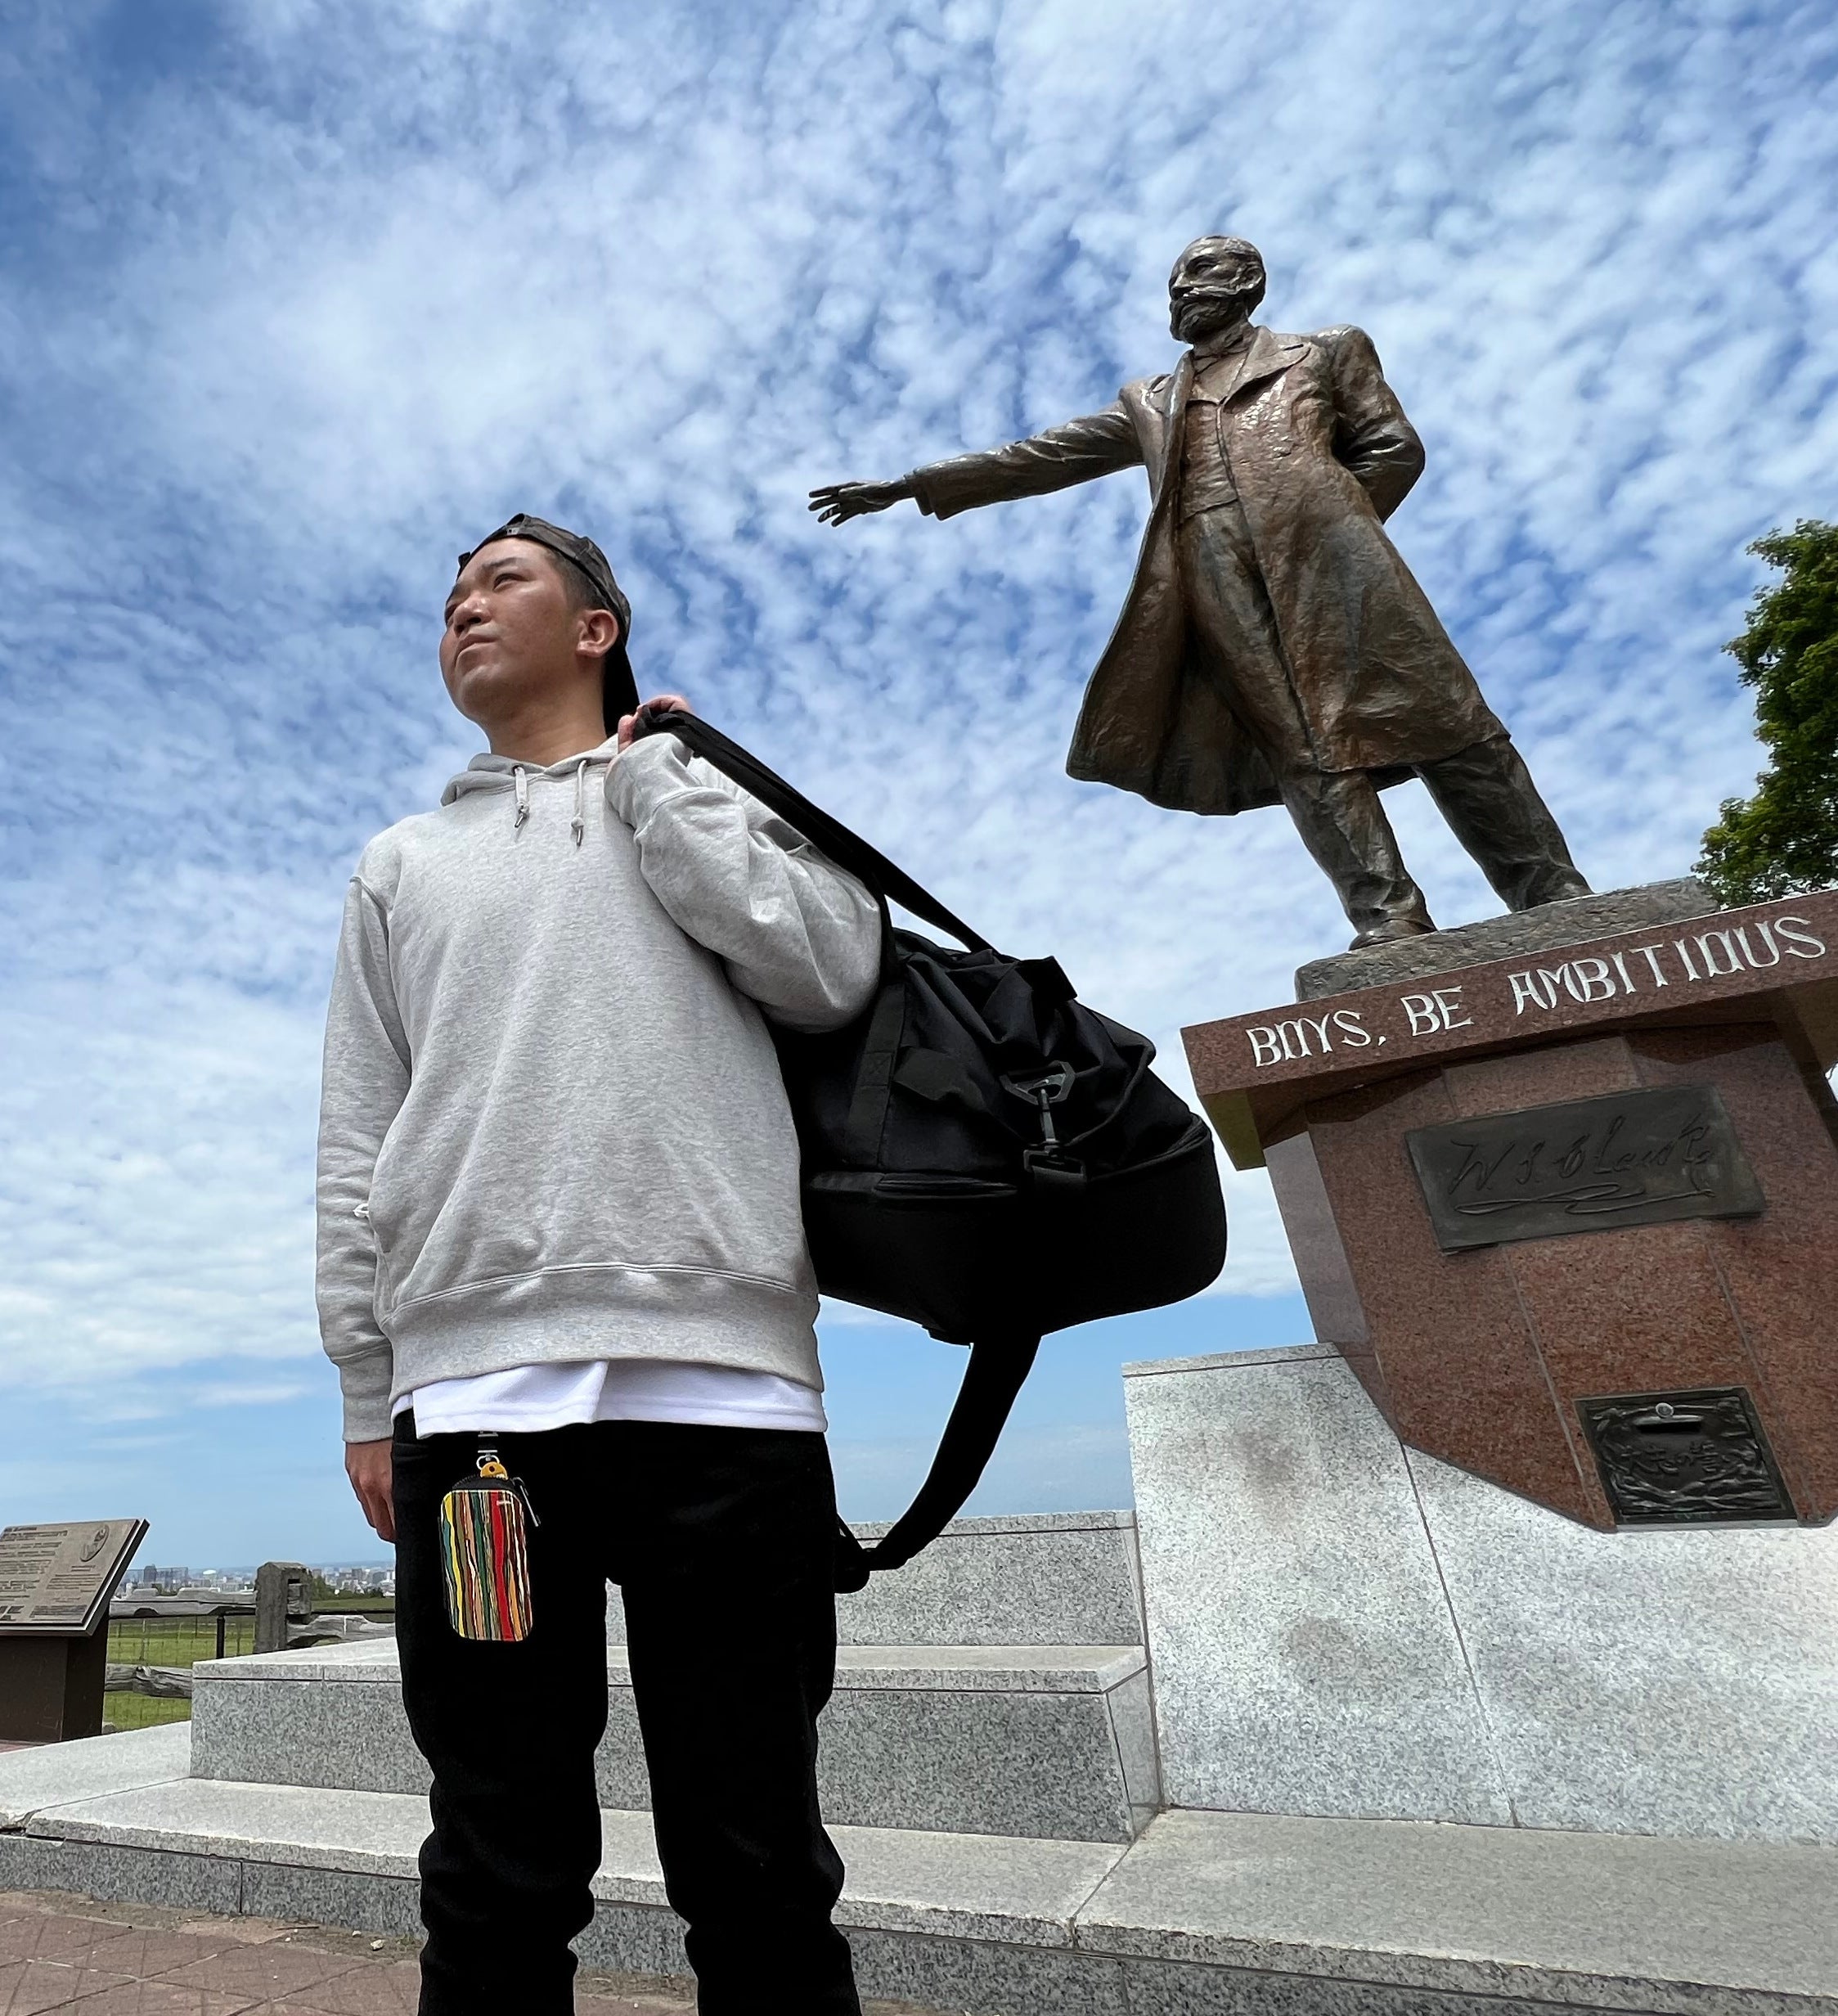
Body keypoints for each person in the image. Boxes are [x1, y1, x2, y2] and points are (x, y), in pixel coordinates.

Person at [317, 513, 881, 2015]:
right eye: (450, 594)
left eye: (499, 579)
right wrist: (369, 1388)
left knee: (756, 1858)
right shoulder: (399, 864)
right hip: (477, 1427)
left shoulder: (706, 792)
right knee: (494, 1858)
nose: (462, 607)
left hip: (729, 1407)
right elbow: (356, 1138)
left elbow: (831, 970)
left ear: (594, 627)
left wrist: (661, 787)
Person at [811, 234, 1590, 950]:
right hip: (1212, 570)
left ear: (1248, 281)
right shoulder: (1150, 399)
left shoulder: (1326, 350)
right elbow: (1041, 454)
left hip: (1332, 557)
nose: (1180, 289)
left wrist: (1326, 519)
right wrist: (910, 485)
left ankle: (1551, 892)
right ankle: (1389, 917)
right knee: (1298, 748)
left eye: (1198, 272)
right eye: (1172, 282)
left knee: (1442, 716)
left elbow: (1391, 448)